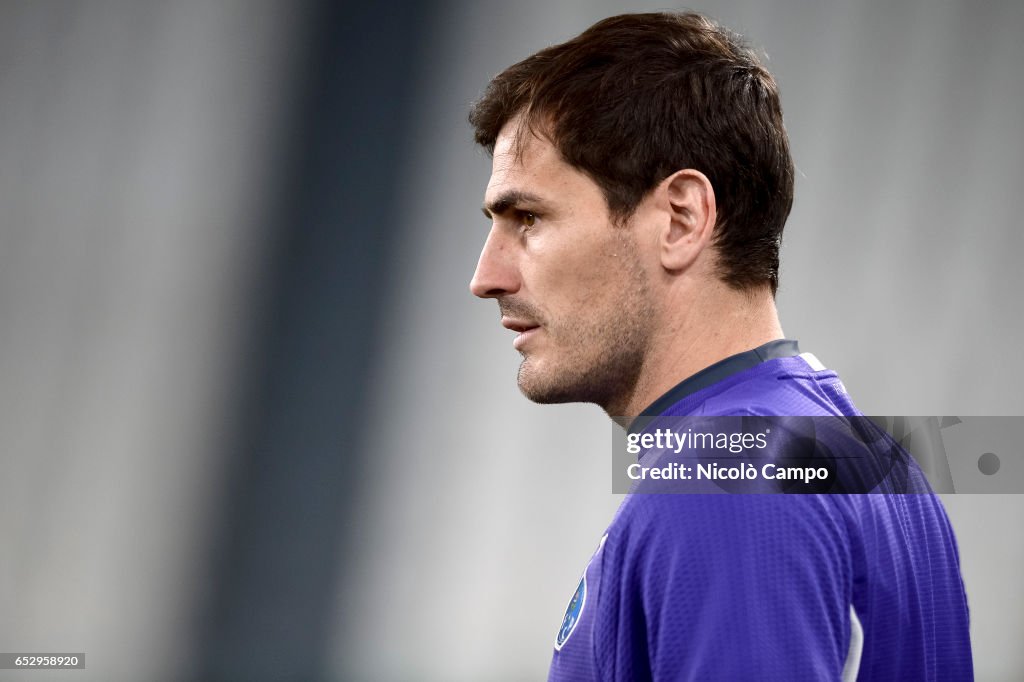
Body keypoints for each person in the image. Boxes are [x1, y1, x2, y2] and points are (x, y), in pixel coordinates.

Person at [467, 11, 973, 681]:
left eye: (527, 218)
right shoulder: (871, 460)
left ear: (680, 218)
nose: (485, 278)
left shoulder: (722, 484)